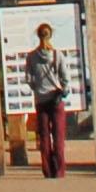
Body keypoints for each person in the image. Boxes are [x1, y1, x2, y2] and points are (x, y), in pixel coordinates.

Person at [24, 23, 71, 178]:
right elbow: (65, 79)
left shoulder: (31, 56)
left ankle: (47, 170)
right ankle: (59, 171)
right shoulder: (58, 55)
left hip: (40, 100)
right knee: (58, 136)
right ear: (51, 35)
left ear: (38, 36)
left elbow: (29, 79)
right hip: (56, 100)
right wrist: (63, 91)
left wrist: (37, 88)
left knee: (44, 136)